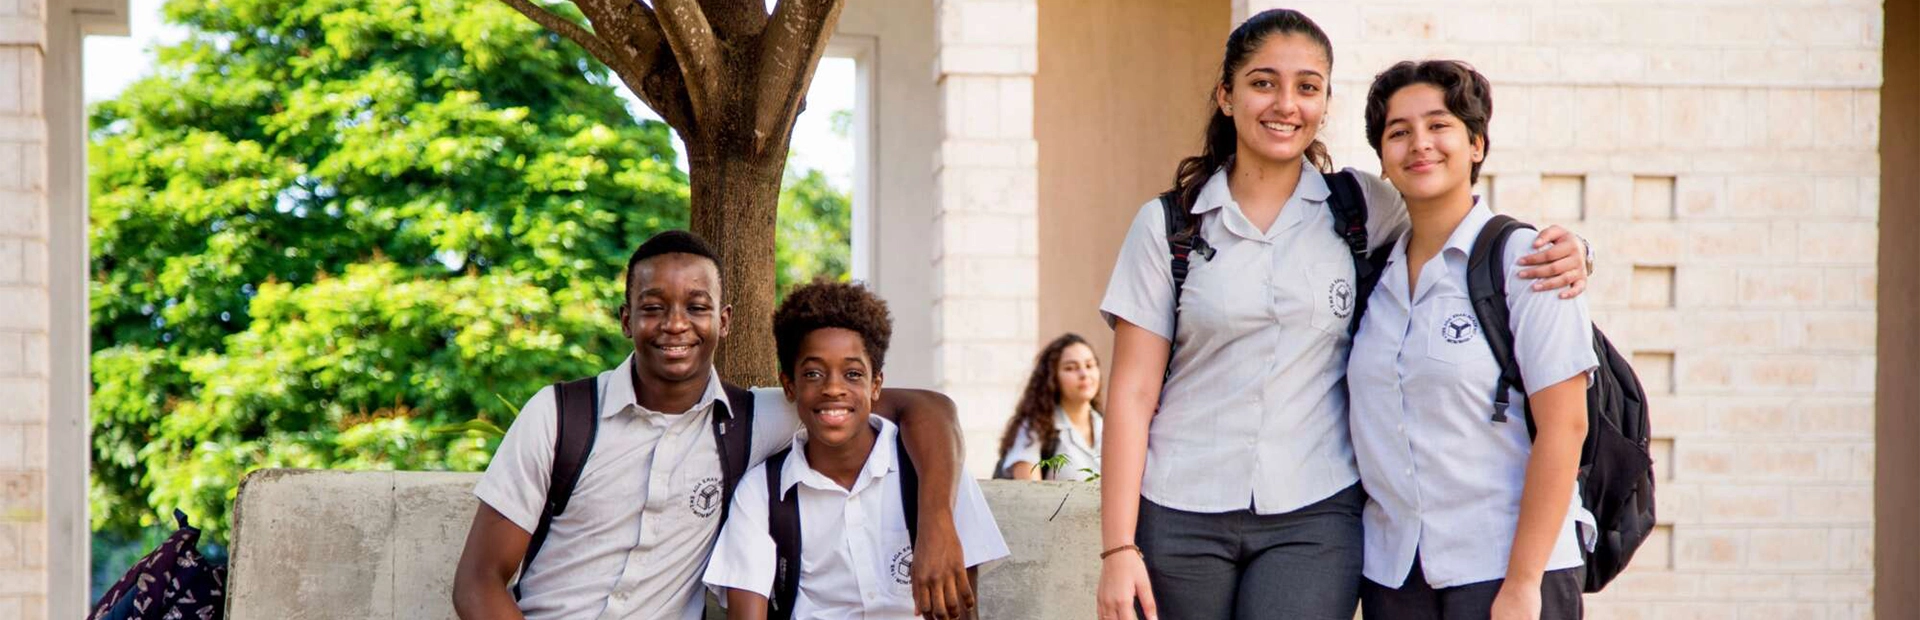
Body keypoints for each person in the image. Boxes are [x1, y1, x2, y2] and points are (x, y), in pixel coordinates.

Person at [1093, 9, 1595, 620]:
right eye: (1262, 82)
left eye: (1307, 87)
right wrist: (1118, 546)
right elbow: (1131, 392)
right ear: (1226, 95)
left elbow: (1455, 219)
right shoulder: (1170, 224)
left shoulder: (1361, 207)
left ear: (1325, 102)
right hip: (1180, 504)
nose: (1285, 104)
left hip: (1315, 512)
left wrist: (1575, 251)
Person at [451, 231, 980, 620]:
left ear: (723, 321)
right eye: (653, 307)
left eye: (696, 307)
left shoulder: (758, 418)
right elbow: (478, 582)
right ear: (626, 319)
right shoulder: (560, 416)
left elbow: (928, 410)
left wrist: (936, 526)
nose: (675, 324)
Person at [1349, 60, 1593, 620]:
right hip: (1395, 576)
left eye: (1439, 126)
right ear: (1383, 159)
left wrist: (1523, 584)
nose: (1420, 144)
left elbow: (1566, 426)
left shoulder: (1527, 261)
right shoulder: (1373, 274)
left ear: (1477, 144)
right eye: (1398, 132)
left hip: (1504, 570)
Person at [703, 280, 1010, 619]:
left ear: (876, 385)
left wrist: (936, 526)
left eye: (852, 374)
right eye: (814, 373)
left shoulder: (930, 474)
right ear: (789, 385)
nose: (833, 388)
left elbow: (960, 610)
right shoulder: (762, 495)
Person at [995, 333, 1104, 481]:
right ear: (1052, 377)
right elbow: (1031, 496)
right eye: (1071, 368)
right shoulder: (1035, 429)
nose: (1084, 374)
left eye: (1089, 365)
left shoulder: (1109, 426)